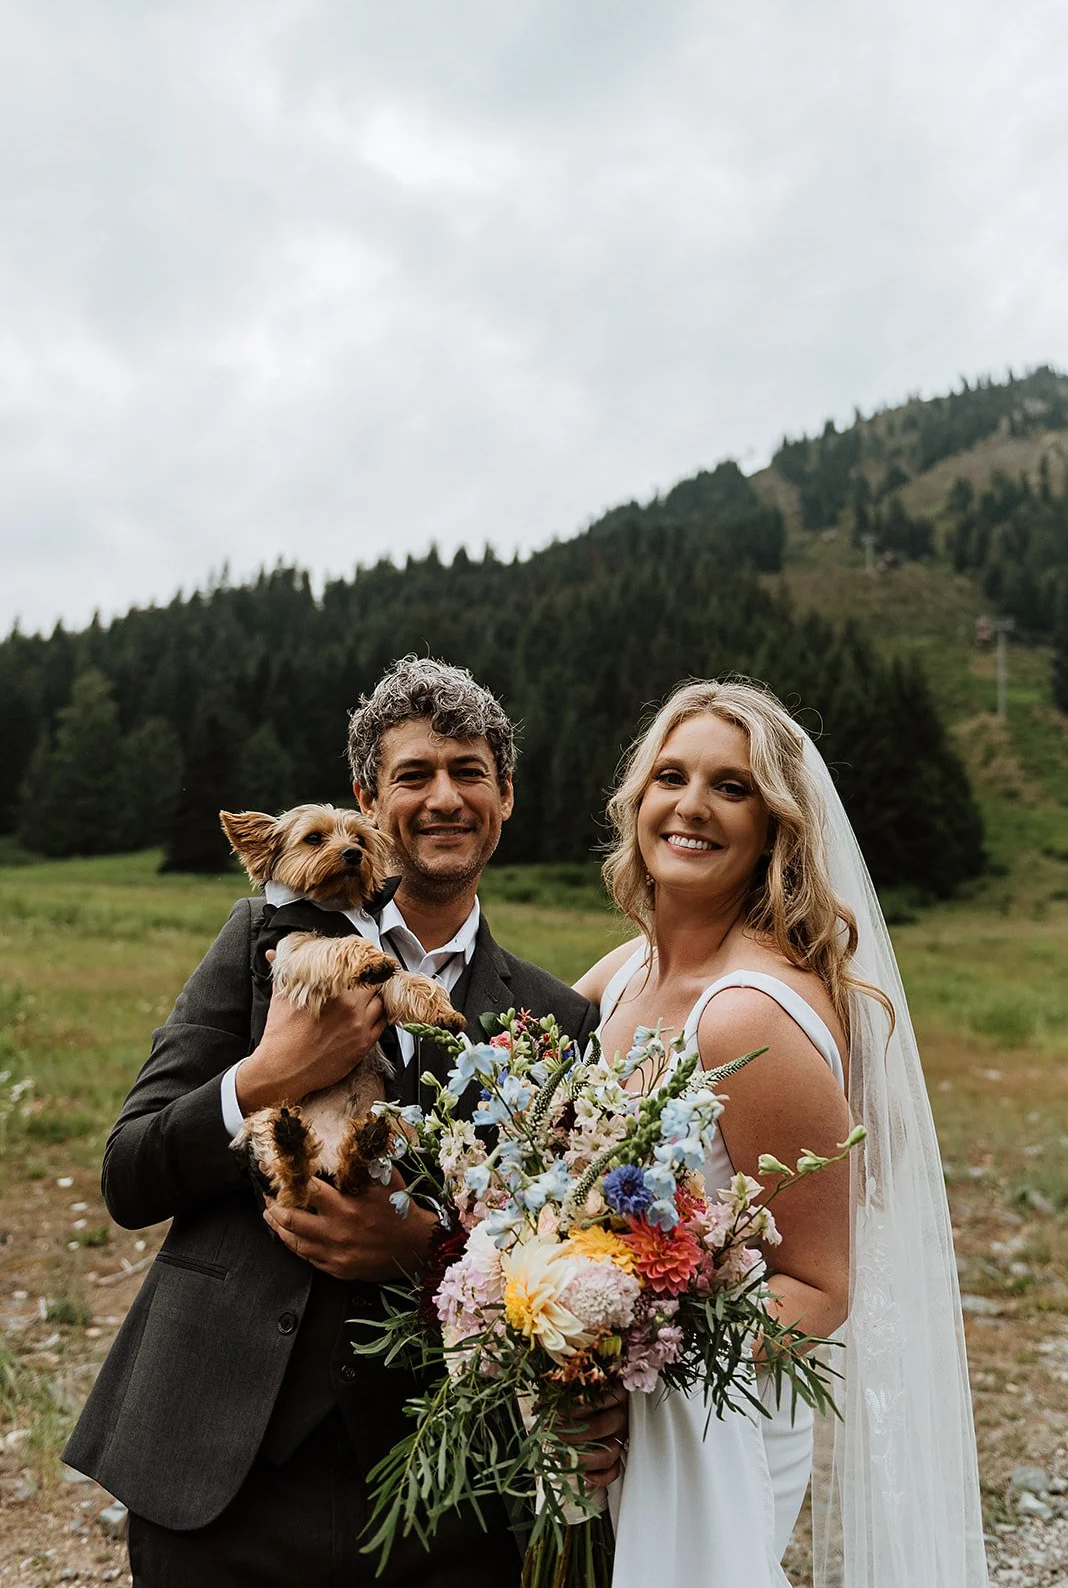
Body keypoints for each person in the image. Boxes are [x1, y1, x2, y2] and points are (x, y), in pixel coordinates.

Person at [64, 656, 615, 1587]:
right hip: (219, 1465)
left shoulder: (559, 1016)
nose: (444, 798)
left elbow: (560, 1243)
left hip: (441, 1496)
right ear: (367, 798)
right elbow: (130, 1173)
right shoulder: (254, 939)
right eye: (413, 775)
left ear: (506, 797)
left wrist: (426, 1245)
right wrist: (267, 1075)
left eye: (469, 772)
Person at [574, 678, 988, 1588]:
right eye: (670, 776)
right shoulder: (620, 975)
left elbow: (820, 1284)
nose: (690, 806)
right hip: (606, 1418)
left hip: (707, 1430)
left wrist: (627, 1360)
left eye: (731, 787)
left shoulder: (747, 1017)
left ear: (776, 825)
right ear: (636, 799)